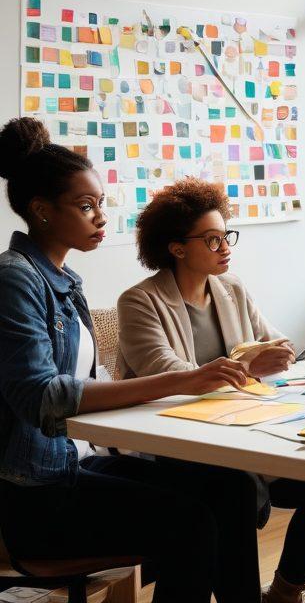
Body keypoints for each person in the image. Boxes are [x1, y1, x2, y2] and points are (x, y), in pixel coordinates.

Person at [0, 117, 251, 602]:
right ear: (41, 210)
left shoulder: (62, 279)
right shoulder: (16, 280)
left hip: (78, 463)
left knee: (231, 487)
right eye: (86, 206)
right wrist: (180, 381)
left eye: (101, 205)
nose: (100, 218)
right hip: (34, 494)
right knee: (192, 523)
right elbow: (43, 398)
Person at [117, 177, 305, 603]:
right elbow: (168, 374)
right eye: (213, 239)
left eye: (227, 236)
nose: (226, 247)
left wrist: (279, 353)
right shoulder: (139, 302)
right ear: (177, 247)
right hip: (173, 443)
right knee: (233, 487)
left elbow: (277, 342)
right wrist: (248, 366)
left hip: (239, 431)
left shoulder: (232, 288)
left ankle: (283, 592)